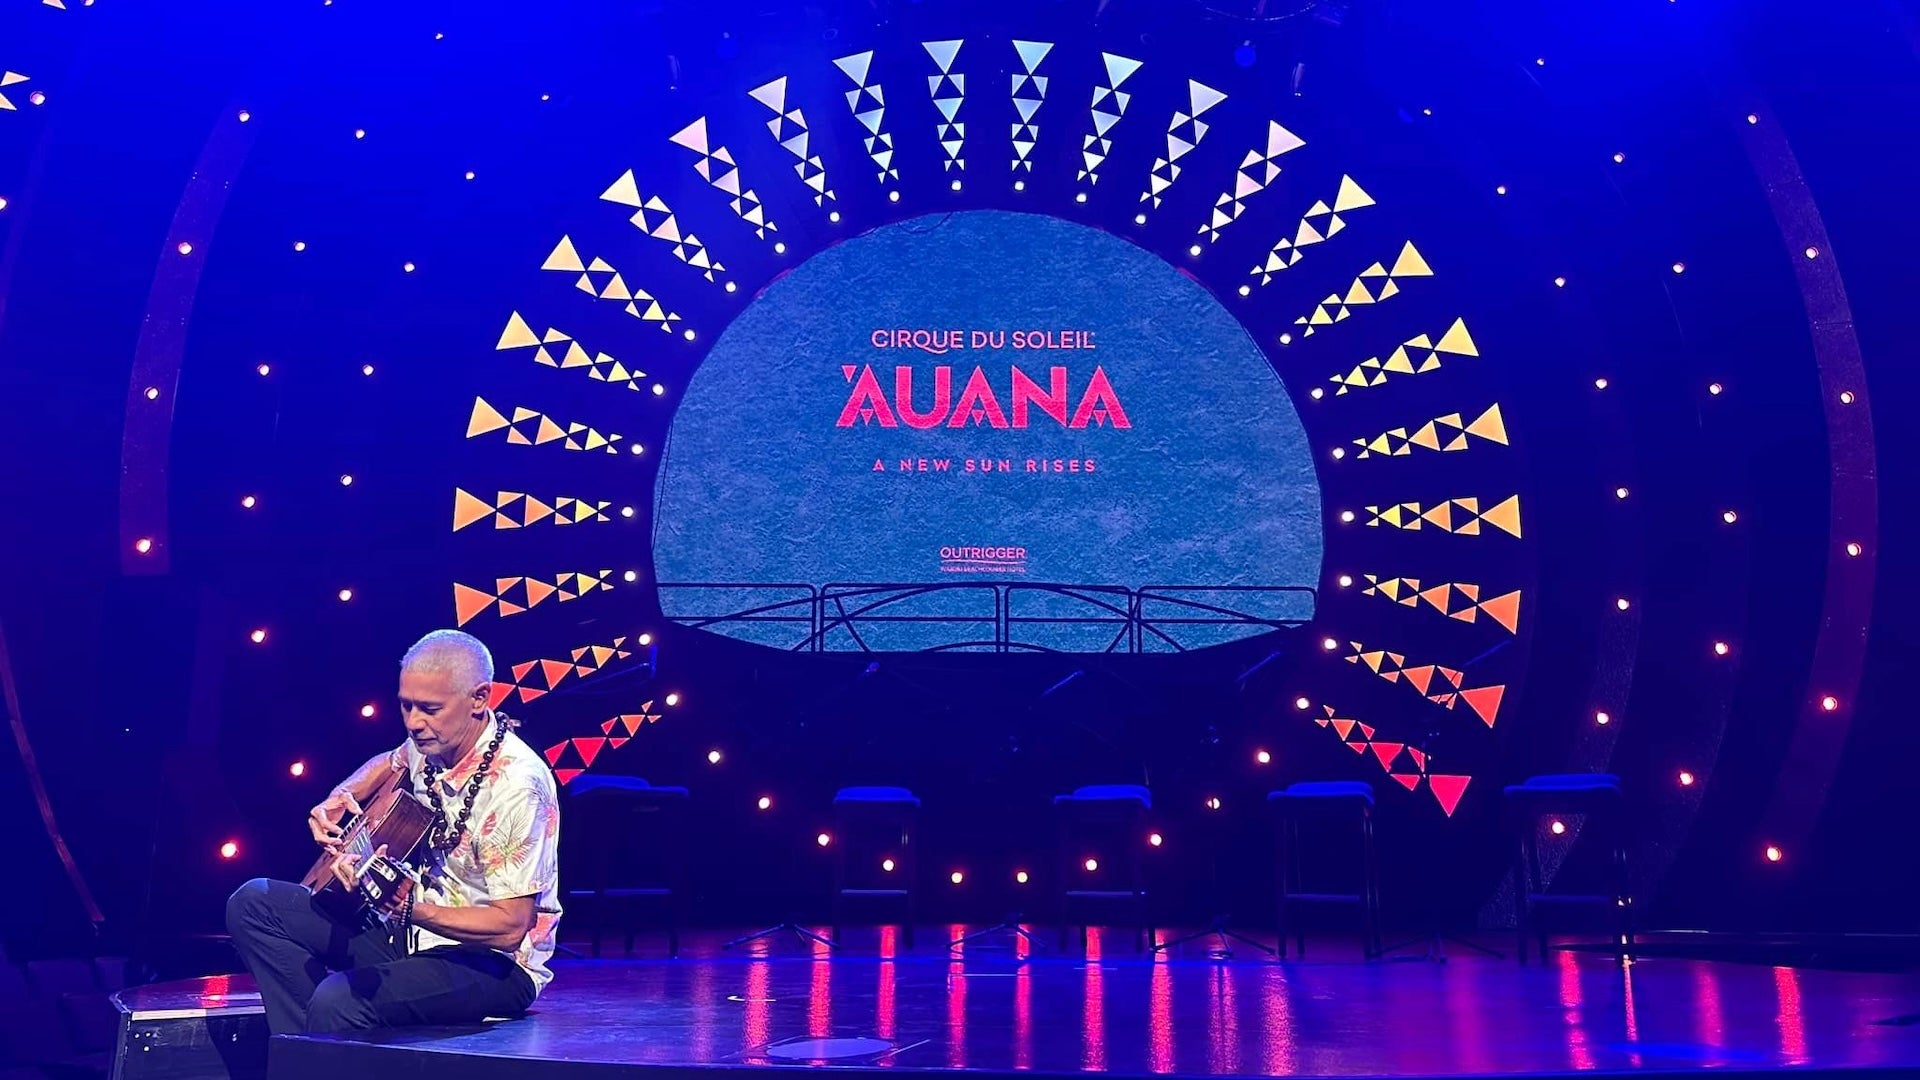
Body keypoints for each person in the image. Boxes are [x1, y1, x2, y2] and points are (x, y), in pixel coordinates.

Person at [226, 629, 562, 1034]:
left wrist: (408, 910)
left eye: (430, 709)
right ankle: (308, 1053)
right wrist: (343, 793)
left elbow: (510, 927)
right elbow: (391, 760)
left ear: (480, 699)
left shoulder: (517, 786)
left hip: (490, 964)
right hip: (407, 935)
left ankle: (319, 1050)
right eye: (406, 707)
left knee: (339, 998)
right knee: (255, 904)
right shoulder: (430, 744)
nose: (415, 723)